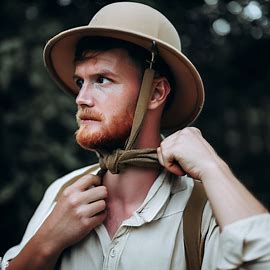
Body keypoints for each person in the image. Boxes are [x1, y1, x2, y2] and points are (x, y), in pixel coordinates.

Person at [2, 2, 270, 270]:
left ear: (155, 93)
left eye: (102, 80)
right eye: (80, 82)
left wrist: (213, 167)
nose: (81, 99)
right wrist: (46, 242)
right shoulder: (62, 194)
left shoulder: (204, 209)